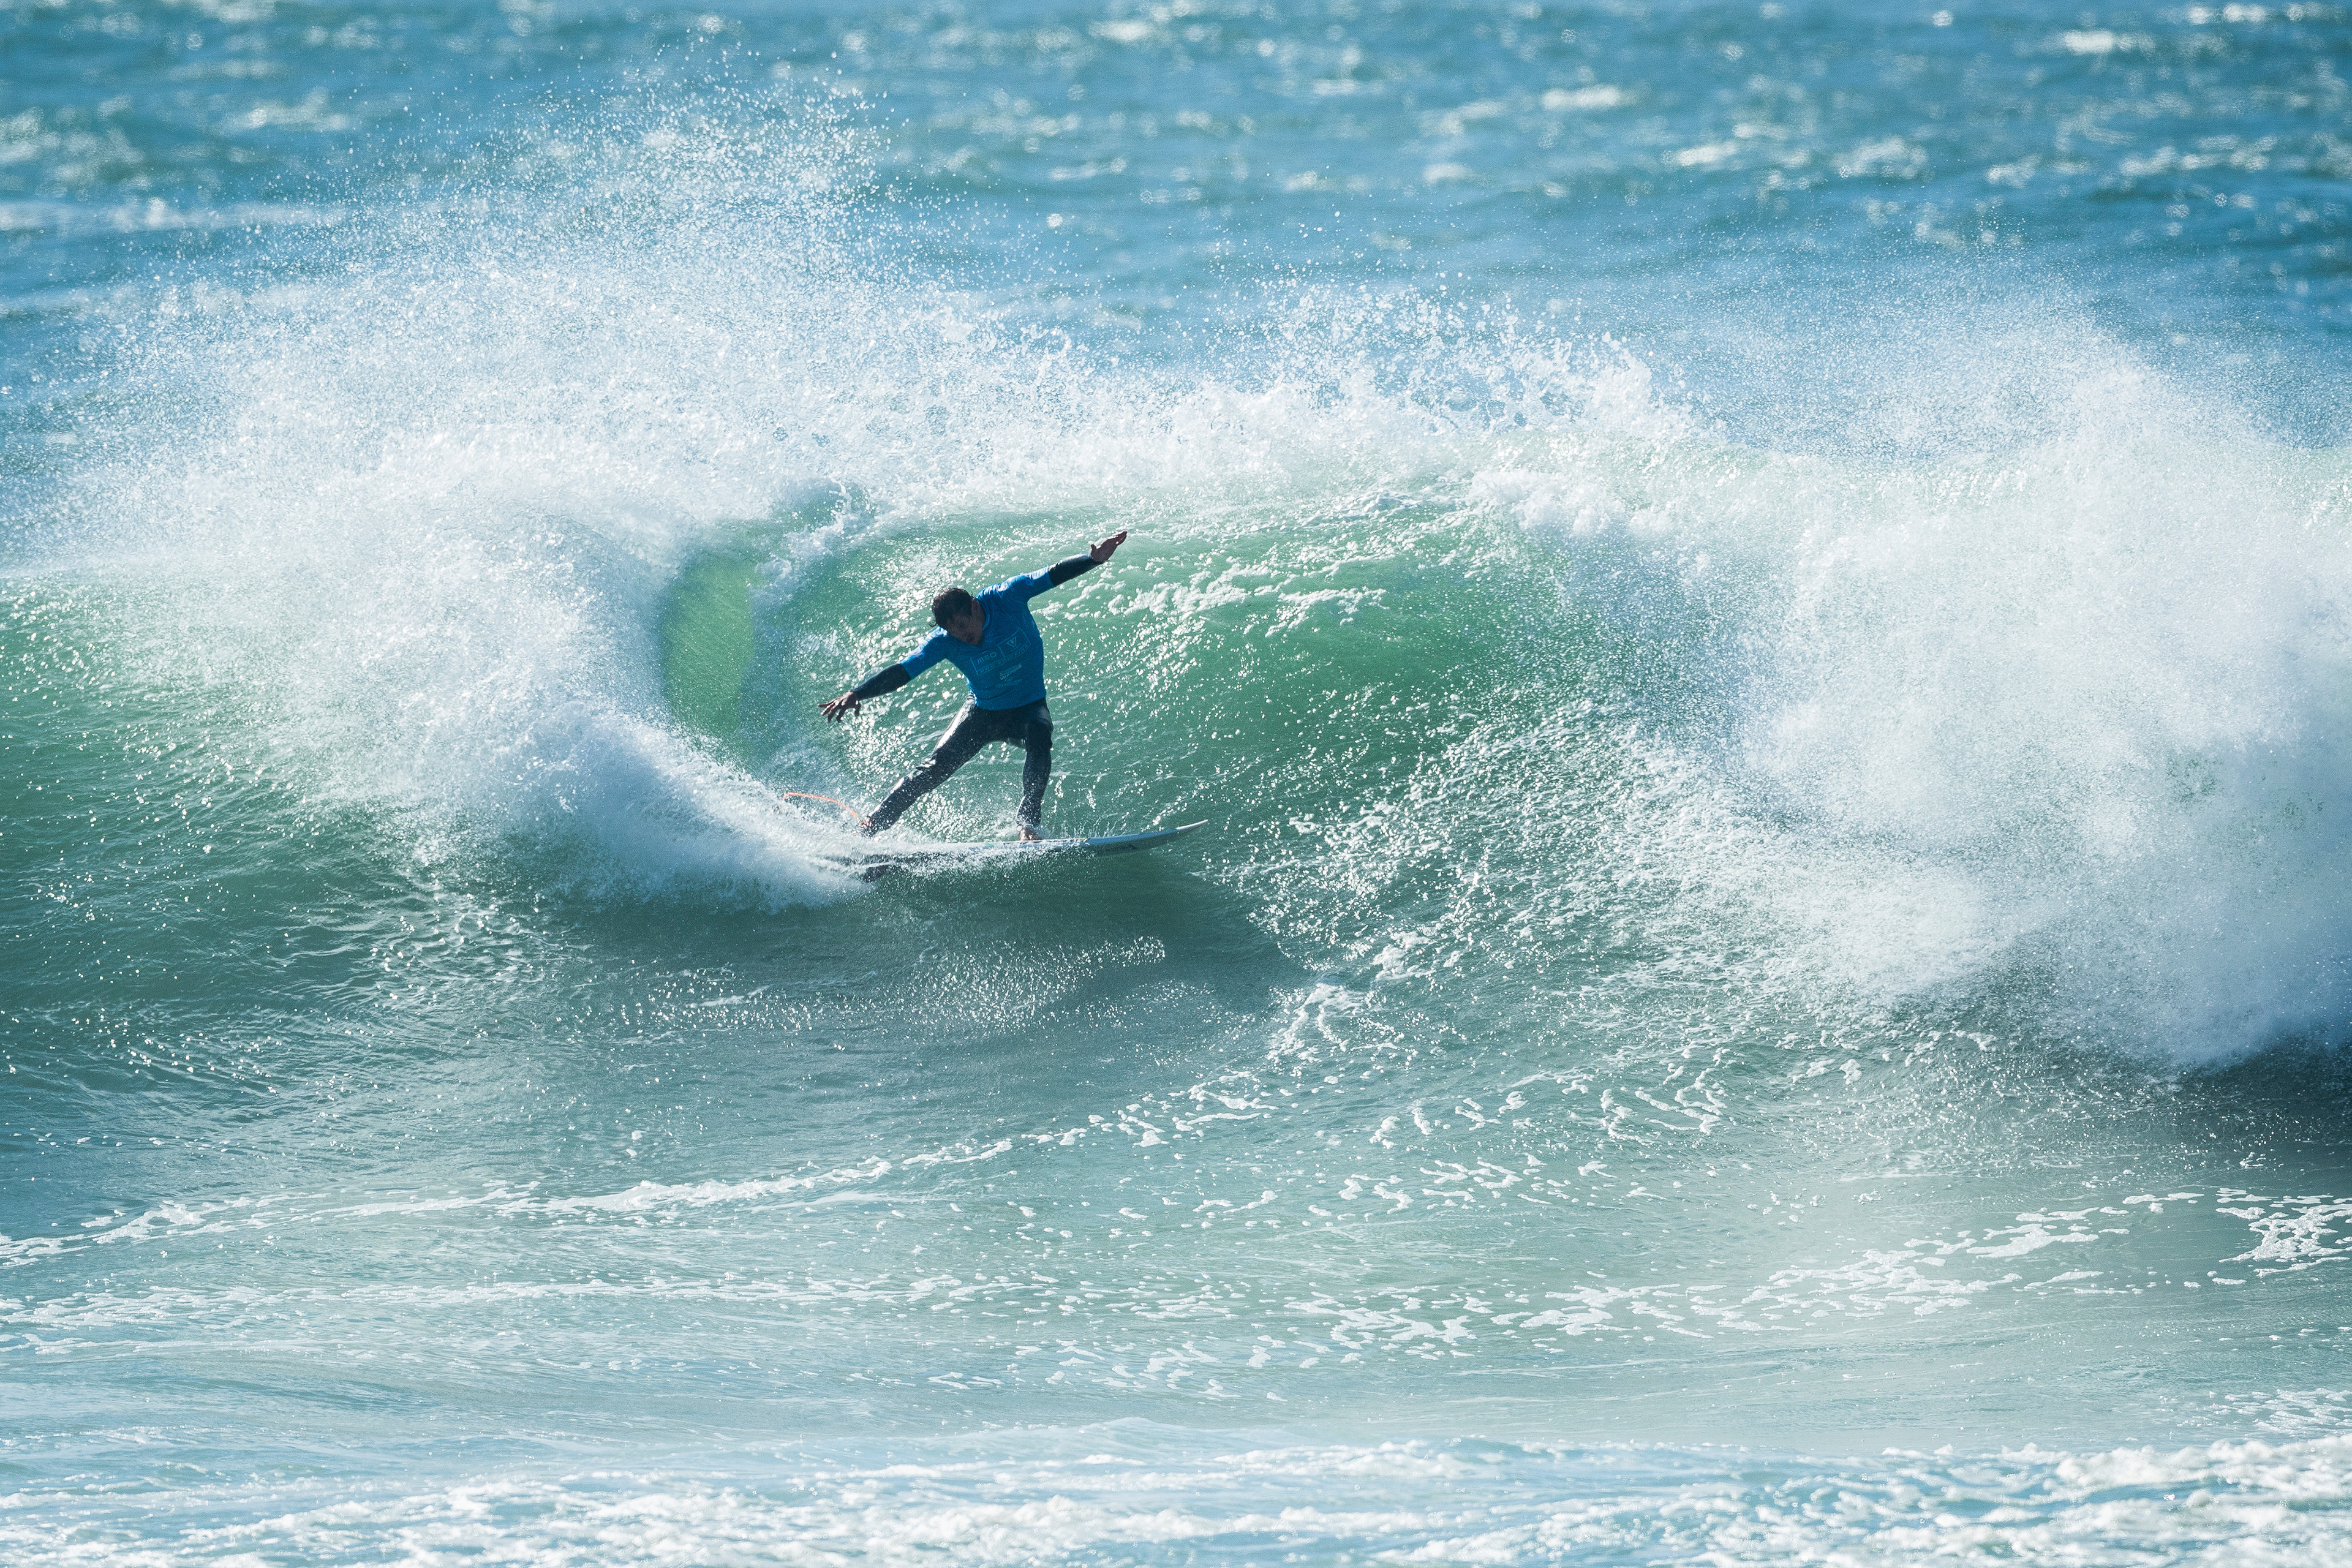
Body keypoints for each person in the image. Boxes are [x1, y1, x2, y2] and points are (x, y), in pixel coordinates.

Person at [821, 530, 1128, 839]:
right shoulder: (945, 642)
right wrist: (857, 692)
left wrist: (1092, 560)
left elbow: (1049, 575)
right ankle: (871, 826)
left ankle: (1028, 826)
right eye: (953, 632)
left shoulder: (1006, 597)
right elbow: (905, 670)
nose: (964, 637)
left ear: (973, 606)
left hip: (1028, 704)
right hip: (983, 711)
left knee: (1039, 736)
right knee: (932, 769)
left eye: (964, 625)